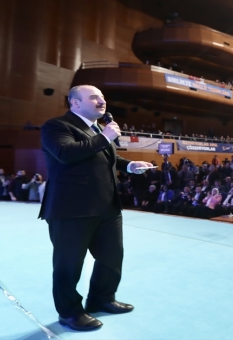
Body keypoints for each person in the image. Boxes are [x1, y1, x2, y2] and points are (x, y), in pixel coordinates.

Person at [39, 85, 153, 331]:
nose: (102, 101)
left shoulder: (98, 130)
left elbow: (104, 158)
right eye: (94, 97)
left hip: (107, 206)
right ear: (75, 103)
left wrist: (130, 165)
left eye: (102, 97)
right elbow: (66, 153)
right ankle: (69, 313)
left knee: (112, 258)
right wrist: (105, 137)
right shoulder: (57, 126)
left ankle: (101, 298)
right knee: (69, 264)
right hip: (72, 210)